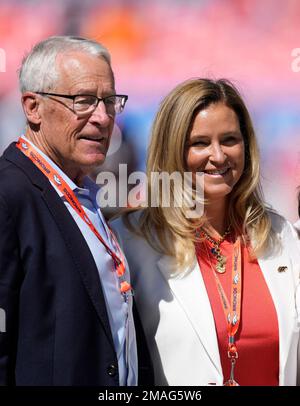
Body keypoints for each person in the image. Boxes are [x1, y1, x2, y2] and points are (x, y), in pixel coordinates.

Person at [111, 78, 300, 386]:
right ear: (171, 149)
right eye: (199, 143)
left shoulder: (281, 236)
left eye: (229, 139)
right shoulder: (130, 241)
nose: (219, 155)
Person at [0, 35, 153, 386]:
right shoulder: (9, 195)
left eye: (110, 101)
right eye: (83, 101)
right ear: (32, 107)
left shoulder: (85, 193)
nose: (102, 118)